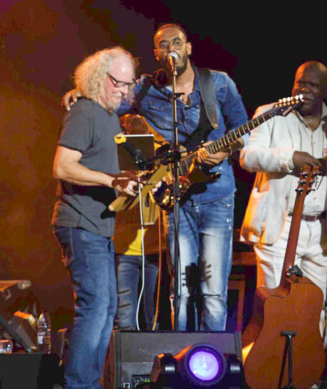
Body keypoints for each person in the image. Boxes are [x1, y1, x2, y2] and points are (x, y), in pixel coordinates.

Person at [64, 23, 250, 332]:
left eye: (177, 42)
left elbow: (243, 130)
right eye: (163, 45)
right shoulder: (146, 89)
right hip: (175, 198)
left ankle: (213, 367)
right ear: (156, 53)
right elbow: (109, 98)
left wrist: (225, 150)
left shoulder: (218, 83)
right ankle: (183, 362)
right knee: (180, 289)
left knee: (214, 290)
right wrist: (81, 93)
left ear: (188, 47)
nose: (170, 49)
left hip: (217, 195)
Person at [239, 61, 327, 343]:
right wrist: (290, 159)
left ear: (326, 92)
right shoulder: (270, 114)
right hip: (280, 227)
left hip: (323, 231)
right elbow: (248, 156)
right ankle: (272, 377)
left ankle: (309, 378)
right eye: (300, 83)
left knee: (319, 309)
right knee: (276, 306)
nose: (304, 90)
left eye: (312, 86)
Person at [52, 46, 140, 389]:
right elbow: (62, 166)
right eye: (118, 83)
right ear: (98, 78)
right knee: (95, 307)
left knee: (106, 309)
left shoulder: (109, 114)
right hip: (78, 223)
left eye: (128, 85)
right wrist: (111, 181)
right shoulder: (85, 112)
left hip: (99, 225)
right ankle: (79, 385)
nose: (124, 90)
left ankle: (88, 383)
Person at [113, 114, 163, 332]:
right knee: (125, 316)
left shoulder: (163, 153)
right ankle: (124, 363)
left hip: (156, 248)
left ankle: (153, 363)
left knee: (153, 317)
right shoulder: (117, 153)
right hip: (125, 248)